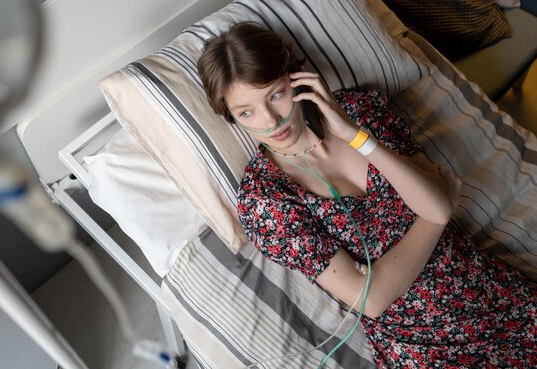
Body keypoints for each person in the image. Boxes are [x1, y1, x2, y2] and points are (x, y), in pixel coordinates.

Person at [197, 21, 537, 368]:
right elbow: (371, 299)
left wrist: (355, 135)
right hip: (419, 341)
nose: (270, 121)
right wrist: (436, 216)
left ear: (295, 79)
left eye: (275, 94)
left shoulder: (358, 112)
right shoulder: (265, 201)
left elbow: (435, 200)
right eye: (246, 112)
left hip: (487, 290)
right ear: (232, 118)